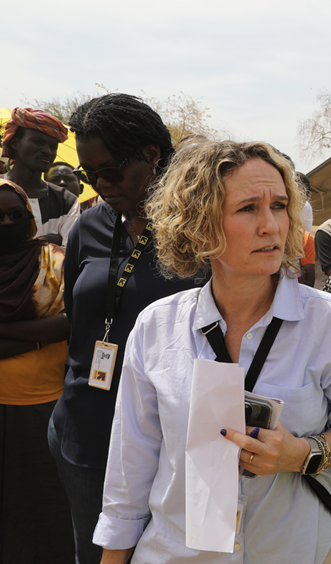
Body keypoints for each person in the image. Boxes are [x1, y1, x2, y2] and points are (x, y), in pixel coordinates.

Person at [92, 139, 331, 564]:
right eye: (248, 208)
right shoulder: (157, 327)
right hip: (178, 553)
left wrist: (303, 454)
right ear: (200, 222)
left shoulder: (329, 320)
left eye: (280, 205)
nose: (271, 225)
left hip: (296, 550)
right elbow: (130, 467)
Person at [47, 93, 203, 564]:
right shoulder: (88, 227)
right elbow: (80, 319)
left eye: (110, 171)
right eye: (88, 175)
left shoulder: (198, 233)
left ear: (152, 157)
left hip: (174, 442)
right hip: (87, 432)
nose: (99, 184)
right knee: (96, 555)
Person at [0, 179, 74, 563]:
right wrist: (38, 335)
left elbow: (67, 324)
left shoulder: (53, 262)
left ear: (30, 219)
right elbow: (53, 327)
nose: (7, 222)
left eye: (16, 214)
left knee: (44, 513)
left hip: (44, 411)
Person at [2, 107, 79, 245]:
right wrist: (48, 242)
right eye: (38, 142)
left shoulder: (66, 201)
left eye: (53, 146)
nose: (47, 151)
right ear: (14, 143)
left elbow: (68, 257)